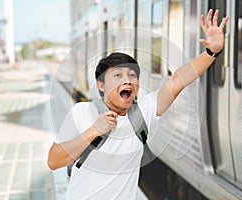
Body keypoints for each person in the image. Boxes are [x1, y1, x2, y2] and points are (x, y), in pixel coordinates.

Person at [47, 9, 229, 200]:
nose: (127, 81)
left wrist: (212, 52)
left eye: (132, 75)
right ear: (101, 85)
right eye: (117, 76)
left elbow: (177, 81)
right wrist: (93, 130)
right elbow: (53, 160)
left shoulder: (143, 112)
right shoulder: (82, 112)